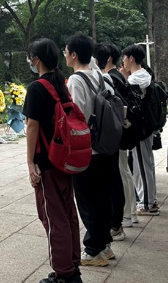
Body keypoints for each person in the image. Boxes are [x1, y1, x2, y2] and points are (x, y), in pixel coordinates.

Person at [24, 38, 83, 283]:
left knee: (52, 216)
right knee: (68, 213)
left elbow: (32, 126)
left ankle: (64, 274)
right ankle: (72, 265)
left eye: (30, 57)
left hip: (47, 162)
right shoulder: (60, 83)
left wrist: (30, 163)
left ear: (36, 59)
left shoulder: (37, 87)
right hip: (64, 159)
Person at [66, 34, 119, 267]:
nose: (65, 55)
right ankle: (105, 244)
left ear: (74, 54)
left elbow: (78, 116)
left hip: (88, 149)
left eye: (66, 51)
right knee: (104, 197)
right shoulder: (102, 76)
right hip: (106, 146)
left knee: (88, 200)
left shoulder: (75, 80)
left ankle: (94, 249)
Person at [94, 42, 139, 230]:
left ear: (107, 58)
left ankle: (126, 215)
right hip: (122, 130)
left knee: (121, 172)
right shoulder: (118, 77)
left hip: (116, 132)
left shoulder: (110, 78)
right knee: (123, 170)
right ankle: (130, 212)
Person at [121, 44, 159, 217]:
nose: (123, 61)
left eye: (124, 58)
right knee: (145, 163)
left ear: (131, 58)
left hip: (139, 128)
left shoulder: (136, 79)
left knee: (142, 165)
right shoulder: (145, 75)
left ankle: (147, 204)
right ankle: (150, 200)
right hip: (147, 127)